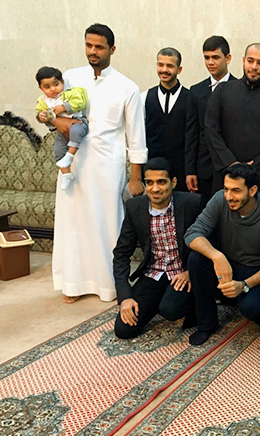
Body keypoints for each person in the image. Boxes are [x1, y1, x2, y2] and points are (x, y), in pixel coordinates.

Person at [49, 23, 147, 303]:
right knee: (73, 224)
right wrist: (56, 122)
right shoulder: (70, 77)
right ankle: (73, 284)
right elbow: (51, 110)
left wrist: (136, 177)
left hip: (107, 166)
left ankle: (109, 285)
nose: (93, 51)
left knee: (107, 224)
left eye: (99, 47)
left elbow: (136, 137)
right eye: (89, 45)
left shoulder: (127, 87)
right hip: (73, 163)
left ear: (112, 49)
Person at [185, 163, 260, 346]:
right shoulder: (220, 199)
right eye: (226, 189)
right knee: (196, 259)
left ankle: (243, 299)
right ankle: (206, 324)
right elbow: (192, 234)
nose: (229, 196)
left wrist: (244, 285)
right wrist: (217, 256)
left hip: (255, 272)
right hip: (227, 264)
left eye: (236, 191)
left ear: (252, 191)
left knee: (252, 309)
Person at [112, 157, 200, 339]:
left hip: (181, 274)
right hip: (153, 274)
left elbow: (209, 243)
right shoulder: (135, 207)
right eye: (149, 183)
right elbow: (121, 254)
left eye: (161, 182)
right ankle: (160, 300)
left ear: (173, 182)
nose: (155, 188)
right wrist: (125, 297)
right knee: (124, 330)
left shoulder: (192, 203)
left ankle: (186, 304)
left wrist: (191, 272)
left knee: (171, 309)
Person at [205, 43, 260, 200]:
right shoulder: (222, 91)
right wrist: (230, 163)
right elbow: (211, 130)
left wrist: (254, 168)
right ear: (243, 61)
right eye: (250, 61)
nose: (254, 67)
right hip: (225, 176)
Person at [184, 36, 235, 206]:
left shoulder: (240, 87)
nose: (210, 62)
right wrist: (190, 170)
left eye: (215, 57)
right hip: (204, 168)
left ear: (228, 58)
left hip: (231, 165)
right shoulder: (196, 91)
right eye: (207, 57)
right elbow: (191, 133)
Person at [141, 48, 190, 192]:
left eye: (169, 66)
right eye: (160, 65)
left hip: (182, 172)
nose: (164, 70)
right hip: (152, 171)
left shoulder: (191, 98)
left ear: (179, 69)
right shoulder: (144, 97)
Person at [35, 66, 89, 190]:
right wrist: (40, 116)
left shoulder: (69, 93)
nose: (53, 89)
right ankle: (66, 174)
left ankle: (70, 155)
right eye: (47, 87)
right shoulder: (43, 101)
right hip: (60, 130)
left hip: (78, 122)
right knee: (58, 150)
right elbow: (39, 112)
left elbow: (81, 102)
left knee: (76, 131)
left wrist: (65, 107)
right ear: (41, 88)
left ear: (62, 82)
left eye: (56, 84)